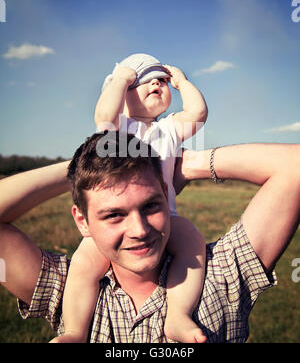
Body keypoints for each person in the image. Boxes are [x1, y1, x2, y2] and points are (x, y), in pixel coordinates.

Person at [0, 132, 299, 343]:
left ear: (166, 196)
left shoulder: (221, 274)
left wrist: (188, 164)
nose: (140, 230)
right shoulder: (70, 291)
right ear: (83, 221)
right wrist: (77, 171)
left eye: (151, 205)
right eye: (114, 215)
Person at [55, 53, 209, 343]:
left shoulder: (168, 129)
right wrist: (120, 79)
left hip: (164, 216)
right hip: (118, 219)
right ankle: (75, 331)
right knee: (85, 263)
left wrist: (183, 82)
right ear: (122, 94)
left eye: (162, 80)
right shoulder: (118, 128)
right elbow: (102, 116)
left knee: (192, 241)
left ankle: (177, 314)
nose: (157, 84)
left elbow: (198, 114)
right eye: (144, 80)